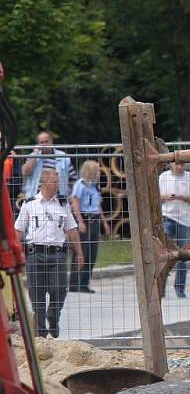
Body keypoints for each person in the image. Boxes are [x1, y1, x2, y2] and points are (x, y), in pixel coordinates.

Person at [14, 168, 84, 338]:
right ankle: (41, 333)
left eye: (58, 181)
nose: (58, 184)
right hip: (35, 253)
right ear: (45, 183)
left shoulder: (63, 204)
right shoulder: (29, 203)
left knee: (59, 289)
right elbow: (18, 230)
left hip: (58, 254)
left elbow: (72, 229)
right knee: (36, 295)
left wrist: (79, 253)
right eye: (55, 181)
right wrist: (15, 255)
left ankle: (53, 316)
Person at [68, 160, 110, 294]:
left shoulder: (95, 186)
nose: (99, 173)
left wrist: (104, 222)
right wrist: (80, 222)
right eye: (97, 170)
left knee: (92, 252)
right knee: (81, 251)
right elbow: (75, 203)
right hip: (85, 218)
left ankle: (85, 282)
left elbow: (98, 205)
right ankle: (75, 283)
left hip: (95, 219)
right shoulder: (80, 185)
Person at [159, 161, 190, 298]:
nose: (180, 167)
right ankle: (161, 288)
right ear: (171, 165)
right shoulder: (163, 177)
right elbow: (156, 197)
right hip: (167, 216)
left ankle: (180, 289)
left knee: (183, 255)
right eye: (177, 164)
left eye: (182, 164)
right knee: (164, 253)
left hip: (184, 219)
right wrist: (165, 197)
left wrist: (186, 198)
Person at [21, 131, 76, 200]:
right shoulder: (33, 156)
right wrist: (35, 155)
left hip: (59, 199)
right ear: (38, 144)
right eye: (41, 142)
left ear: (51, 141)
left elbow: (73, 179)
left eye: (46, 141)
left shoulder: (63, 157)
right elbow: (25, 172)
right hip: (35, 199)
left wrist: (71, 197)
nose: (44, 144)